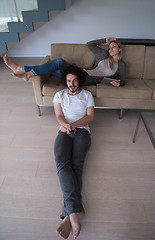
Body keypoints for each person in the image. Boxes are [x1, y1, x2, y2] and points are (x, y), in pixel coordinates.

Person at [53, 64, 94, 239]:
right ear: (66, 81)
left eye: (74, 80)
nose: (71, 83)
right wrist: (66, 126)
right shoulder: (59, 95)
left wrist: (73, 125)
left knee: (76, 167)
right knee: (63, 164)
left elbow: (90, 117)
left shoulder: (87, 95)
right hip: (63, 131)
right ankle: (75, 212)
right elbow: (59, 116)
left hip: (82, 132)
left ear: (79, 81)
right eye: (69, 80)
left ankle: (69, 216)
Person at [3, 37, 125, 87]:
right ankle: (26, 72)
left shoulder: (121, 65)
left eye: (114, 47)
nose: (111, 49)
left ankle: (23, 69)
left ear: (119, 49)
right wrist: (105, 40)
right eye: (110, 47)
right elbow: (90, 44)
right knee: (58, 63)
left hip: (85, 79)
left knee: (56, 67)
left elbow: (123, 80)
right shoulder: (103, 55)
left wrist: (118, 84)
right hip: (82, 72)